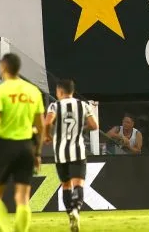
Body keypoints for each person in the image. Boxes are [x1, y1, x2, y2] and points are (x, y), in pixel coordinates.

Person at [0, 53, 45, 232]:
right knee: (22, 198)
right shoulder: (33, 91)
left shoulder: (0, 91)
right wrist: (37, 153)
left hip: (5, 146)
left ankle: (8, 230)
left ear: (3, 68)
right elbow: (41, 126)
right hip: (26, 147)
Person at [44, 78, 97, 232]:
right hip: (78, 151)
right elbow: (94, 126)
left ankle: (70, 215)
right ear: (72, 91)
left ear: (60, 91)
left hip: (60, 153)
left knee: (66, 186)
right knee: (78, 184)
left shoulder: (54, 105)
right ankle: (76, 210)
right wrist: (81, 128)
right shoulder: (83, 105)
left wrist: (47, 135)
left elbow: (47, 122)